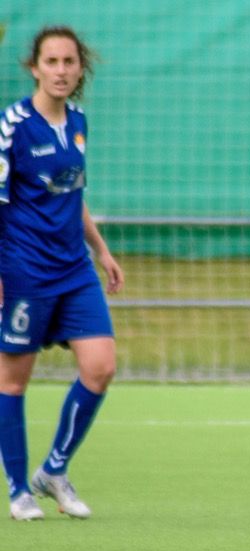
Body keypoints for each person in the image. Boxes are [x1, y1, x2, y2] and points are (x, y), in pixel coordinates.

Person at [2, 26, 123, 520]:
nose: (61, 70)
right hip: (24, 269)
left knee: (101, 366)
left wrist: (101, 250)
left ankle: (53, 470)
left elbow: (72, 194)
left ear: (80, 68)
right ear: (34, 68)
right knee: (13, 381)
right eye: (51, 61)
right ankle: (18, 491)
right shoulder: (12, 126)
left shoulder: (77, 121)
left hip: (74, 268)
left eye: (69, 62)